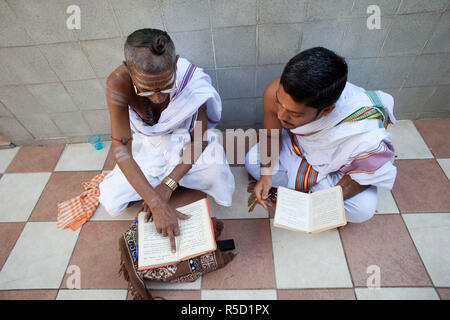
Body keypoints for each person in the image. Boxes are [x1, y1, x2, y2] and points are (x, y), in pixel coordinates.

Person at [99, 29, 235, 251]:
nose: (158, 97)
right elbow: (121, 148)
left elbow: (199, 141)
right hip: (148, 147)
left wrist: (167, 185)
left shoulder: (191, 80)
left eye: (166, 86)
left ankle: (171, 181)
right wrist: (155, 202)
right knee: (112, 199)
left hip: (187, 145)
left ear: (176, 64)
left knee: (217, 175)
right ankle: (169, 183)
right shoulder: (117, 82)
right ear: (128, 70)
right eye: (145, 90)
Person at [245, 47, 396, 223]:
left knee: (362, 210)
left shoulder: (362, 129)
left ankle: (312, 188)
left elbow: (364, 176)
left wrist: (324, 204)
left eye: (295, 114)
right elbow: (272, 136)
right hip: (300, 148)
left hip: (341, 169)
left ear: (326, 110)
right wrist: (266, 175)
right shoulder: (274, 92)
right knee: (254, 161)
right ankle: (313, 186)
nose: (281, 116)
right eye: (279, 103)